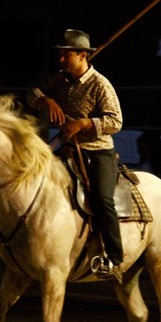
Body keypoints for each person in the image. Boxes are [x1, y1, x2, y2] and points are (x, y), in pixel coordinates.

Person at [27, 29, 124, 284]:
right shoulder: (60, 80)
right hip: (65, 147)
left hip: (97, 151)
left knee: (102, 199)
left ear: (83, 55)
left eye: (65, 55)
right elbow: (31, 92)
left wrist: (83, 124)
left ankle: (114, 257)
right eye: (60, 55)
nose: (60, 60)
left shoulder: (100, 84)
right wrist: (46, 99)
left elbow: (116, 121)